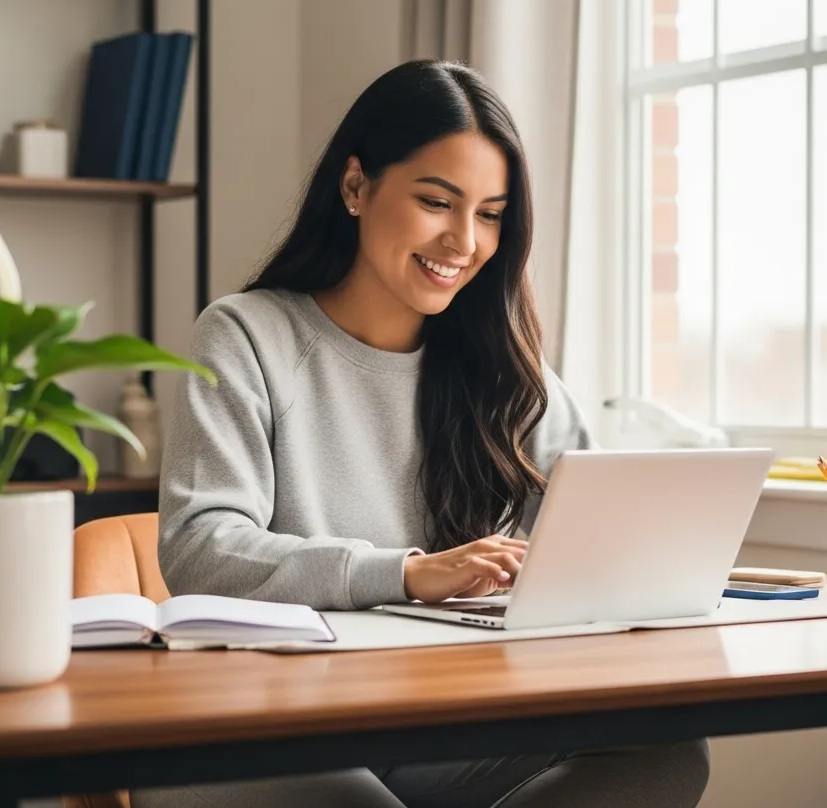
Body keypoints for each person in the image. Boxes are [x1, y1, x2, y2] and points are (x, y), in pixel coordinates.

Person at [132, 59, 711, 808]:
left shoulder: (507, 371)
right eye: (438, 201)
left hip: (443, 725)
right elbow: (200, 549)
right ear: (354, 187)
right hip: (268, 726)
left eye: (492, 214)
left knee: (666, 753)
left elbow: (586, 546)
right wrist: (405, 572)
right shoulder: (247, 336)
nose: (464, 241)